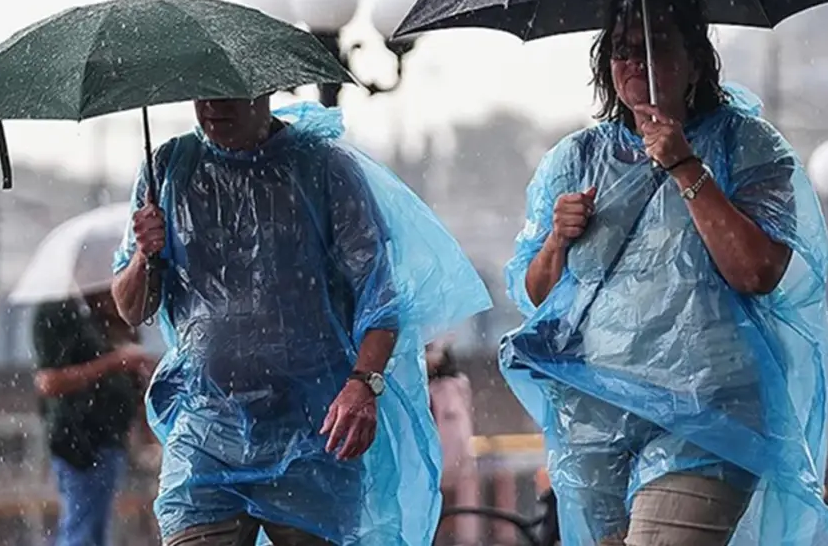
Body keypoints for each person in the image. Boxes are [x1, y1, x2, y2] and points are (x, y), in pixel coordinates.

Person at [501, 0, 828, 545]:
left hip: (708, 411)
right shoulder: (576, 159)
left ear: (695, 59)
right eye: (623, 50)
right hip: (596, 414)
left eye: (656, 45)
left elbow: (757, 271)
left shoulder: (747, 145)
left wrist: (684, 165)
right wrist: (556, 240)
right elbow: (539, 294)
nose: (637, 64)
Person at [111, 96, 490, 546]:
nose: (212, 105)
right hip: (206, 430)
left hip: (313, 435)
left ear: (264, 89)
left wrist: (363, 385)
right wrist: (144, 255)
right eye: (202, 92)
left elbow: (380, 301)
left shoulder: (323, 170)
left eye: (227, 91)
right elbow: (132, 307)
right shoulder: (170, 169)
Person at [32, 288, 154, 546]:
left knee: (94, 529)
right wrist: (114, 362)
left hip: (110, 439)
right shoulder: (61, 312)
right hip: (80, 442)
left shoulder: (107, 322)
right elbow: (49, 382)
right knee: (83, 528)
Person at [426, 341, 481, 545]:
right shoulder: (425, 390)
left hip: (452, 459)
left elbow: (459, 427)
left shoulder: (453, 387)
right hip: (437, 463)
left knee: (459, 511)